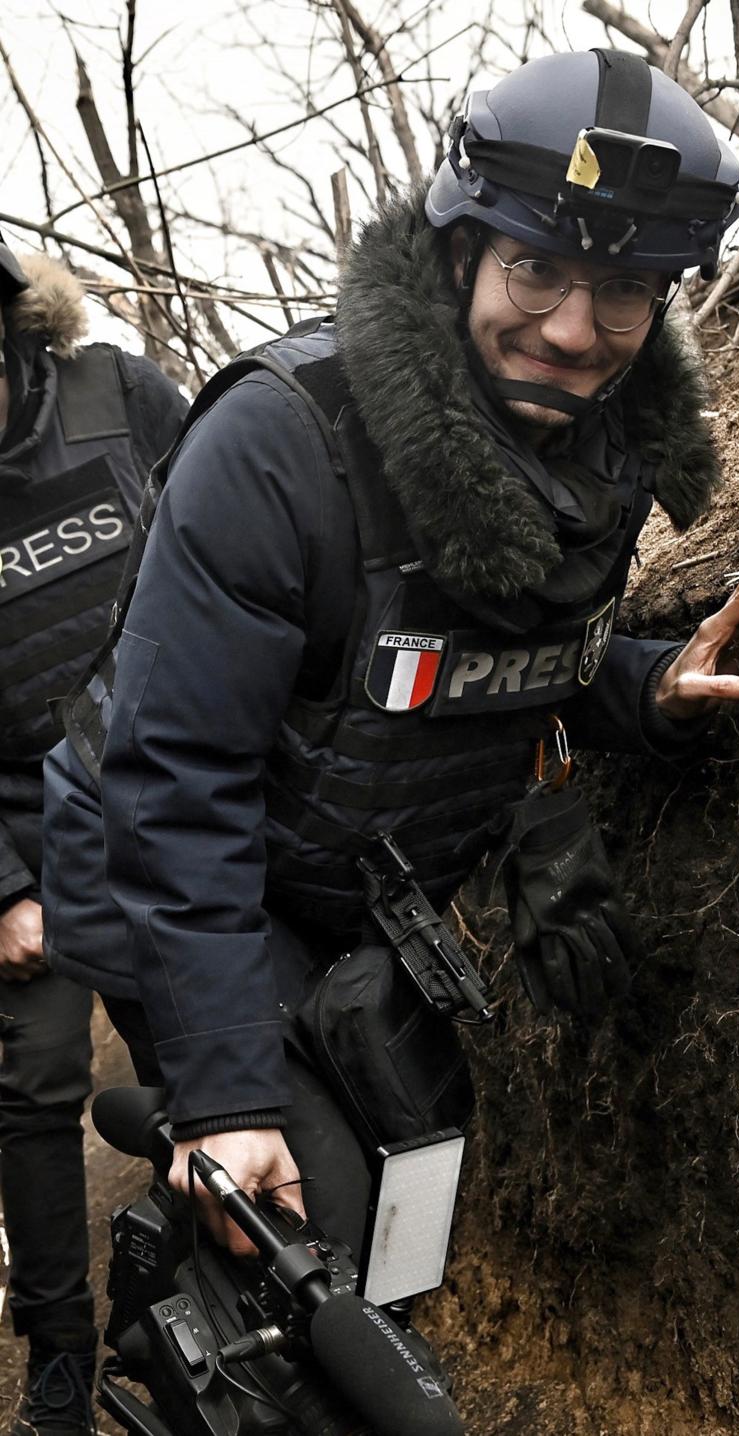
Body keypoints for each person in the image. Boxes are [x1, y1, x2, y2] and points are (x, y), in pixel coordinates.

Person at [43, 49, 739, 1291]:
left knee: (416, 1170)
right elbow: (173, 785)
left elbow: (475, 663)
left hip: (346, 854)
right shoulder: (280, 443)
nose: (571, 328)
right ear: (461, 253)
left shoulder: (601, 444)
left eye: (621, 290)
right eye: (538, 269)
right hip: (168, 857)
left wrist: (644, 686)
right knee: (298, 1215)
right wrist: (226, 1092)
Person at [0, 233, 187, 1435]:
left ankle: (189, 1306)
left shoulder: (122, 398)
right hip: (26, 827)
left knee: (217, 1061)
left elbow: (238, 566)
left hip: (180, 795)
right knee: (31, 1088)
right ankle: (61, 1344)